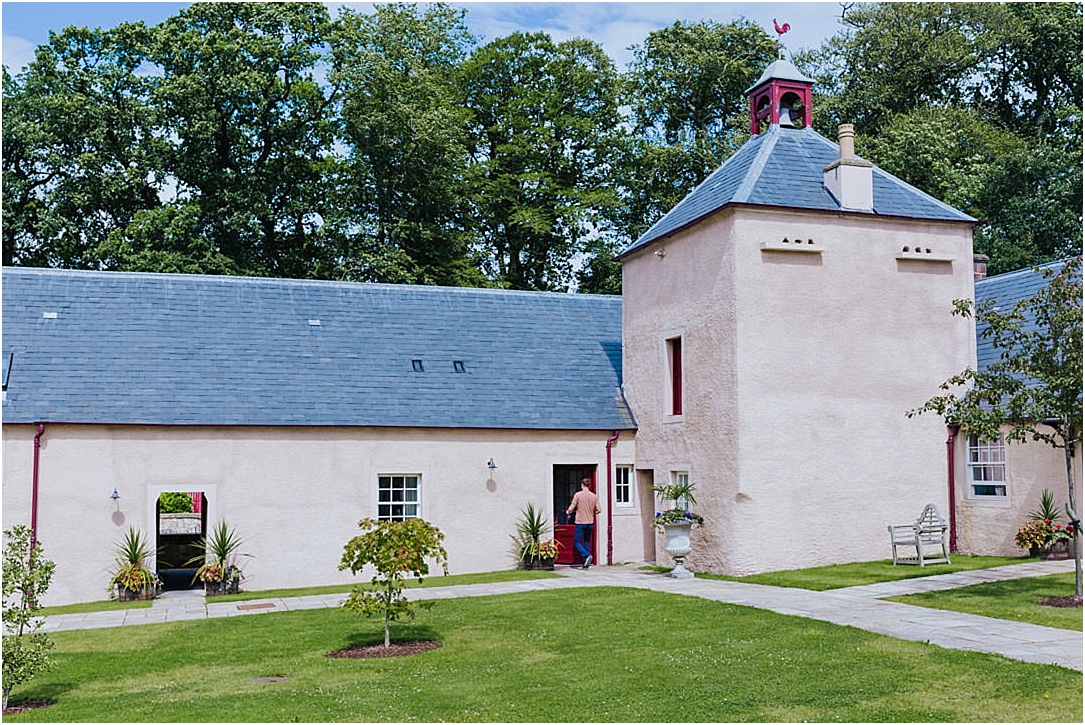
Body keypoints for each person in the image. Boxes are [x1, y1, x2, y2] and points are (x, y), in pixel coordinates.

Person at [566, 478, 600, 569]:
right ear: (589, 485)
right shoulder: (594, 496)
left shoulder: (578, 495)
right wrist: (592, 513)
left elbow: (572, 506)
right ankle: (586, 563)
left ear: (582, 485)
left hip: (581, 522)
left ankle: (586, 555)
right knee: (587, 541)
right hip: (590, 522)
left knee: (577, 542)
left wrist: (568, 512)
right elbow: (599, 509)